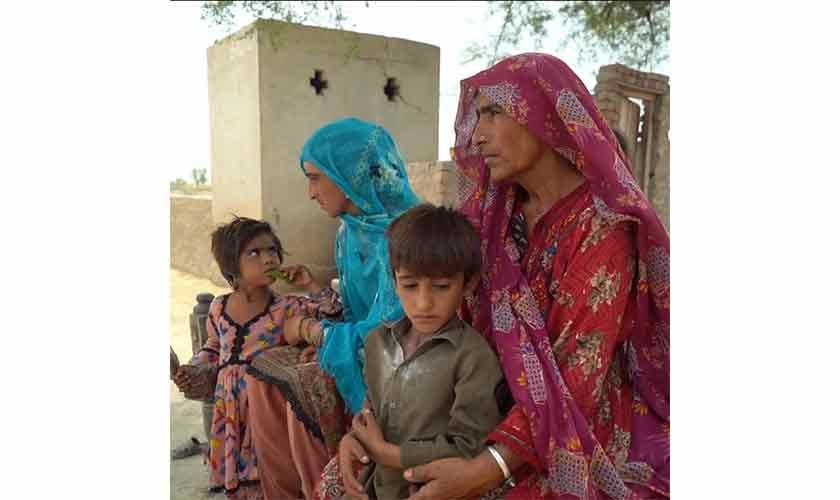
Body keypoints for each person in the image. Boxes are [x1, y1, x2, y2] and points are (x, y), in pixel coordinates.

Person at [399, 53, 670, 499]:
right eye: (477, 116)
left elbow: (575, 378)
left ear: (542, 113)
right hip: (477, 392)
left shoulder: (603, 230)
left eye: (493, 112)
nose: (477, 134)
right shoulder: (492, 216)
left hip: (571, 424)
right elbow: (441, 312)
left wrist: (488, 468)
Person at [244, 117, 421, 499]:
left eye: (315, 178)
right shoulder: (349, 231)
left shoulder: (410, 236)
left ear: (348, 174)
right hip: (363, 344)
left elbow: (391, 329)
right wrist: (318, 306)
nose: (311, 193)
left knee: (308, 383)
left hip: (408, 357)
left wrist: (315, 333)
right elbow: (356, 313)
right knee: (261, 371)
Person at [335, 204, 505, 500]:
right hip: (375, 487)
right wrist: (354, 439)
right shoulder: (377, 343)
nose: (424, 303)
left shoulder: (472, 357)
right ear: (394, 281)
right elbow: (371, 413)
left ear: (468, 284)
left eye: (441, 286)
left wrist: (392, 455)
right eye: (410, 285)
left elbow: (468, 445)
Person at [172, 216, 335, 499]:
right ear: (232, 265)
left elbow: (335, 317)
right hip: (229, 411)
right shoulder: (219, 307)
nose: (268, 258)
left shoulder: (287, 307)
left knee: (271, 479)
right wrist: (195, 367)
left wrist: (311, 284)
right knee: (238, 485)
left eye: (272, 250)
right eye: (254, 253)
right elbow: (214, 347)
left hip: (266, 413)